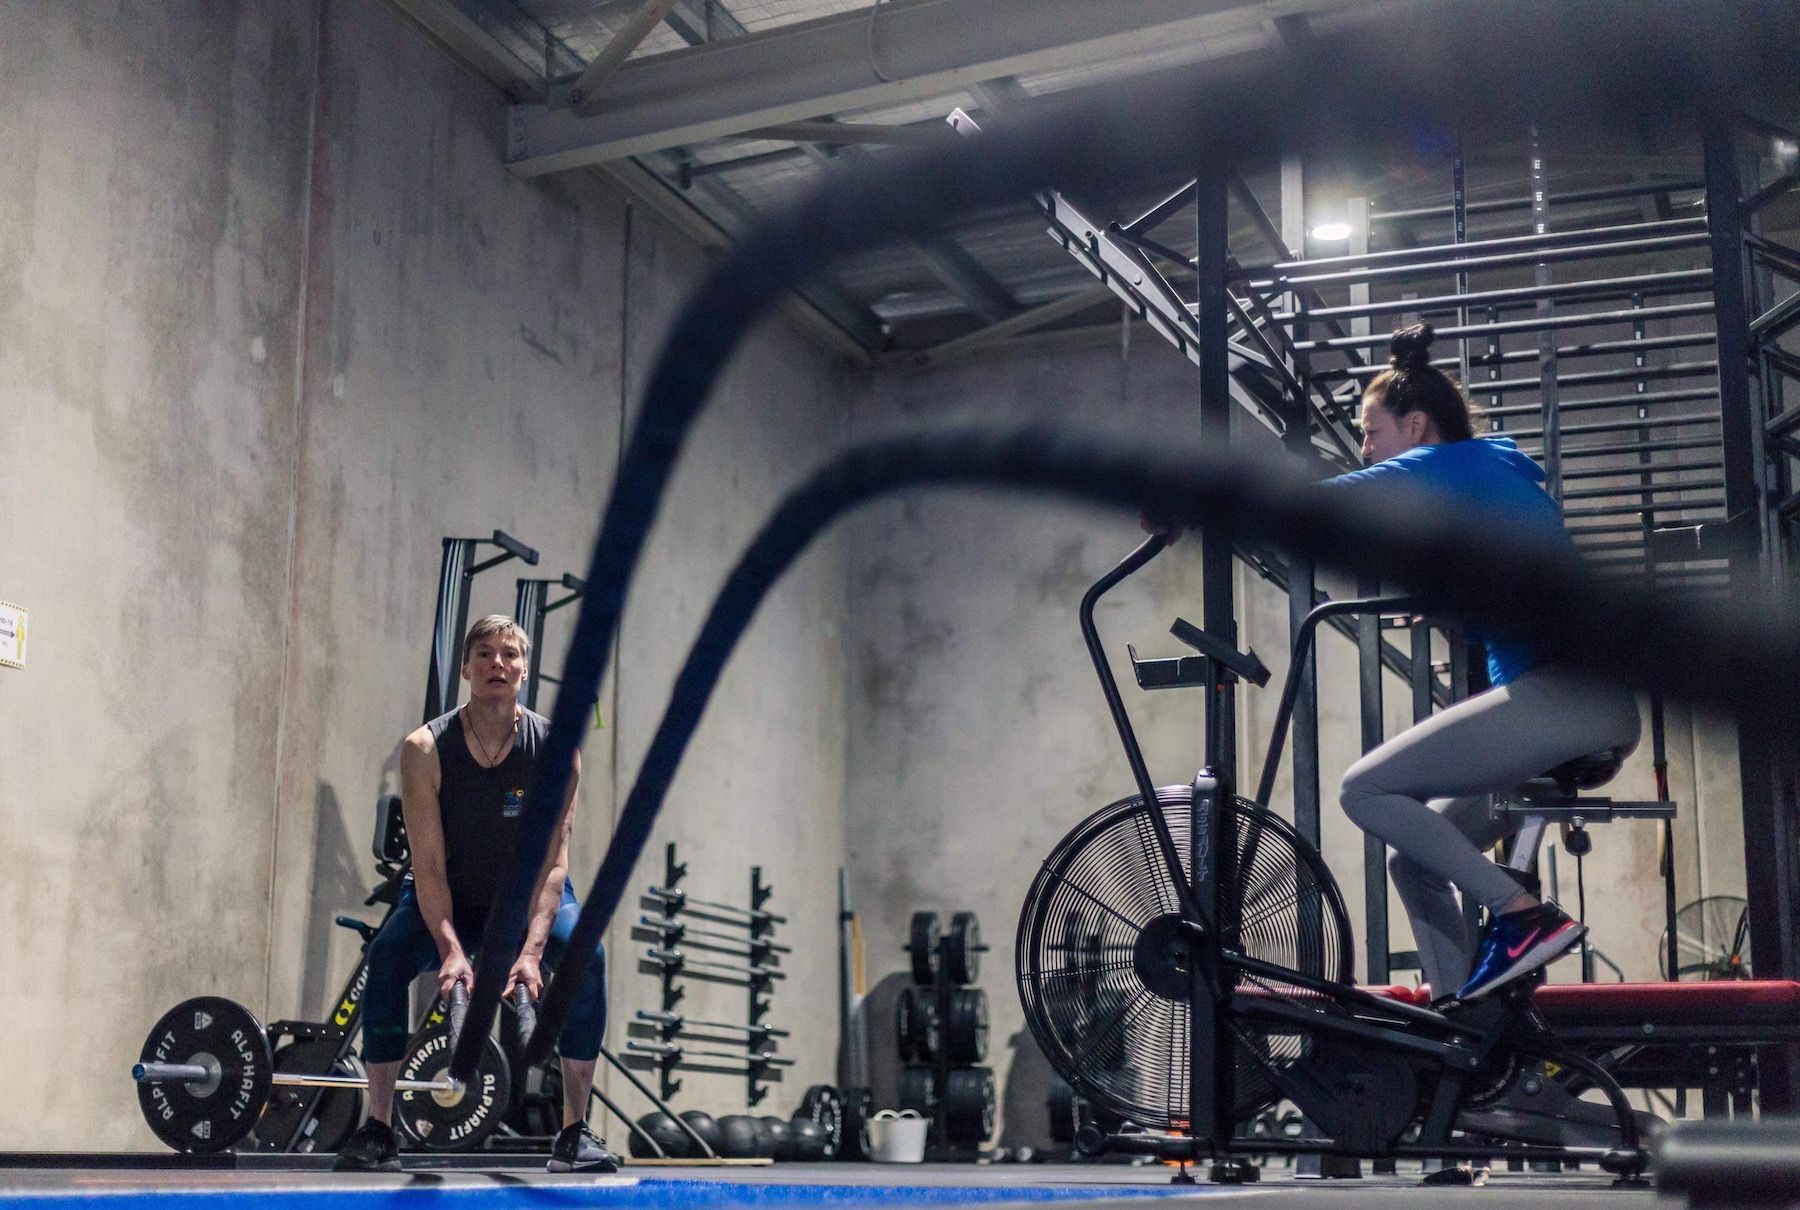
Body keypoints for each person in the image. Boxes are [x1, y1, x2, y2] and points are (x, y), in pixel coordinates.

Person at [1324, 322, 1640, 1003]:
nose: (1365, 449)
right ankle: (1462, 1020)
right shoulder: (1491, 477)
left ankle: (1522, 917)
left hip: (1565, 697)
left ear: (1415, 426)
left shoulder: (1450, 464)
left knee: (1363, 791)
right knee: (1413, 861)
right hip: (1576, 701)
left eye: (1371, 433)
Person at [334, 615, 618, 1173]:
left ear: (525, 671)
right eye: (484, 653)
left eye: (510, 655)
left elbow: (554, 865)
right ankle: (379, 1130)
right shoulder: (424, 748)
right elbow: (428, 865)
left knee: (588, 958)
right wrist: (450, 950)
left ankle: (574, 1133)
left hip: (530, 897)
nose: (497, 664)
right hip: (452, 894)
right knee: (387, 958)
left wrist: (532, 953)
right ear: (466, 668)